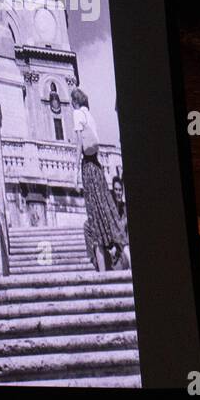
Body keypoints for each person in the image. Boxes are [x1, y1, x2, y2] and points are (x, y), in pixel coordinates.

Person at [72, 87, 129, 273]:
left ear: (74, 101)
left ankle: (103, 273)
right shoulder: (91, 116)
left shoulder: (77, 114)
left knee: (94, 219)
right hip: (97, 168)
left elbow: (80, 144)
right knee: (104, 213)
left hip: (88, 168)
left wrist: (74, 172)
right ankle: (120, 255)